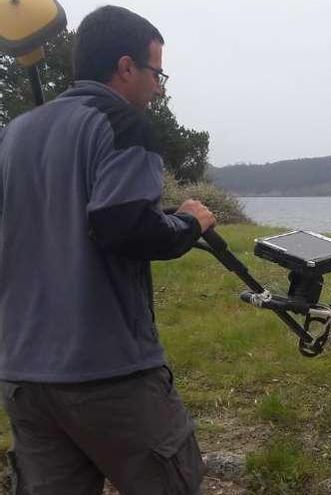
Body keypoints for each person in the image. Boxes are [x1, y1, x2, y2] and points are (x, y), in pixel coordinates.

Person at [0, 5, 214, 494]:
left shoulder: (14, 134)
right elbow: (126, 228)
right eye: (157, 72)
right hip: (108, 373)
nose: (159, 86)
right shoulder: (125, 124)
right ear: (125, 67)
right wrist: (190, 223)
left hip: (23, 374)